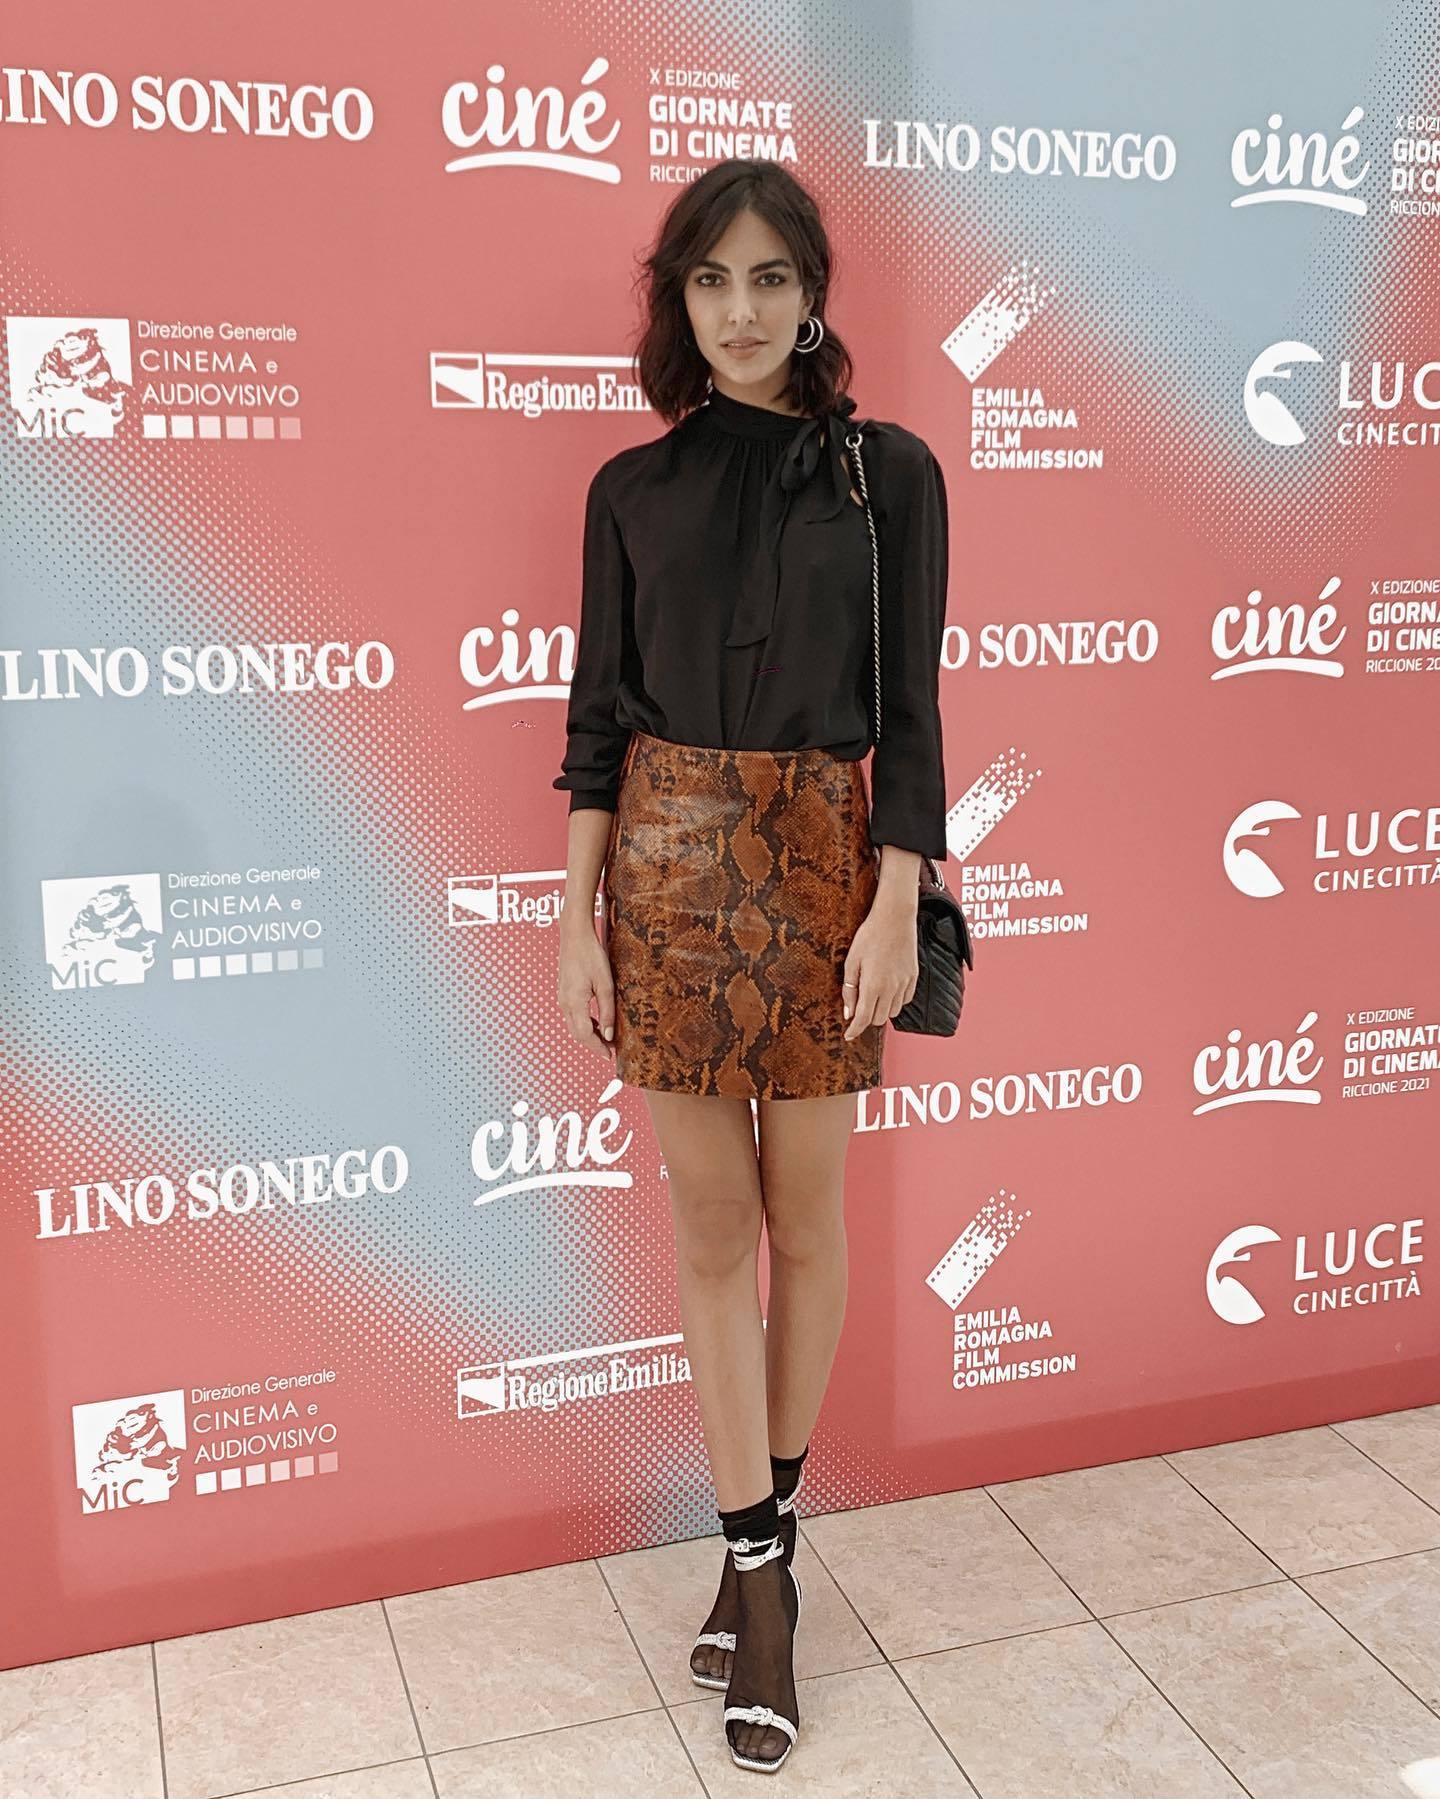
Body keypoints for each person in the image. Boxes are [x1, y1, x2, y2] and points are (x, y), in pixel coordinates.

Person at [553, 157, 949, 1775]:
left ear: (814, 292)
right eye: (711, 280)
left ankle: (756, 1546)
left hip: (821, 870)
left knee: (807, 1218)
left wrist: (894, 900)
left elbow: (910, 714)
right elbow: (596, 721)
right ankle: (761, 1573)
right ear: (679, 299)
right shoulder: (628, 489)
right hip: (661, 873)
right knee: (714, 1228)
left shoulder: (888, 476)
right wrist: (573, 917)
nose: (741, 309)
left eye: (770, 276)